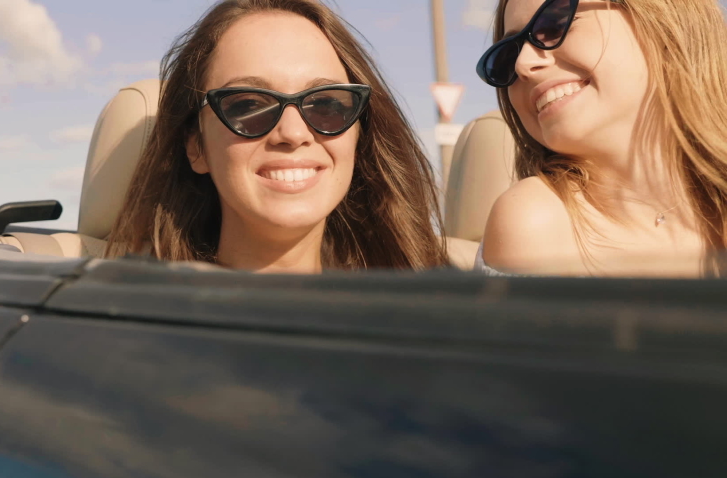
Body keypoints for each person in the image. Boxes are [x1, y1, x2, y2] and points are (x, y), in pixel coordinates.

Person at [104, 0, 448, 273]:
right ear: (196, 147)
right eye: (249, 105)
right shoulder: (128, 324)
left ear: (359, 135)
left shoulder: (430, 310)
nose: (293, 133)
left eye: (327, 104)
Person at [475, 0, 727, 277]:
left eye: (554, 23)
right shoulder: (538, 221)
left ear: (662, 18)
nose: (523, 63)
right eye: (507, 56)